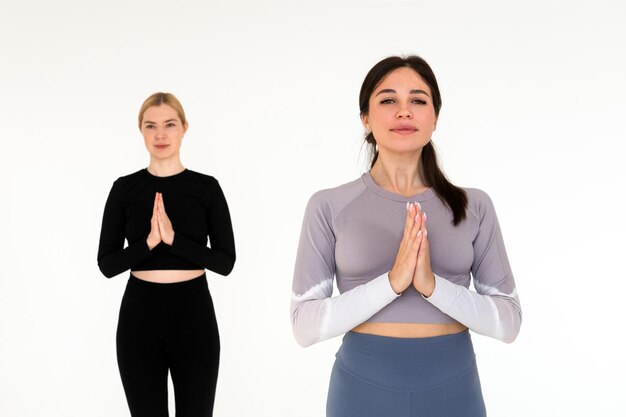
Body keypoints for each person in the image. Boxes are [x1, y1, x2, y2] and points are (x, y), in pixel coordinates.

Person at [291, 56, 521, 417]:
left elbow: (508, 322)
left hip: (454, 389)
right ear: (365, 118)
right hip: (361, 390)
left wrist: (431, 286)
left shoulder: (473, 205)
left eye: (417, 100)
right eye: (387, 100)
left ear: (435, 117)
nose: (404, 112)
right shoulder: (329, 205)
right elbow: (304, 326)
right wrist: (392, 283)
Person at [97, 92, 235, 417]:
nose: (160, 134)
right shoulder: (124, 189)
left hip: (194, 315)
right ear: (141, 130)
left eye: (169, 124)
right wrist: (147, 244)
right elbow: (107, 264)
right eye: (151, 125)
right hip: (139, 316)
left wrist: (174, 240)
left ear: (184, 128)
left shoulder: (206, 188)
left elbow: (225, 262)